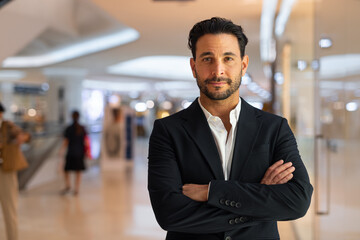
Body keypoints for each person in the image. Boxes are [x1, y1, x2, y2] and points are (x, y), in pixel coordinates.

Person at [148, 17, 313, 240]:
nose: (218, 70)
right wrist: (261, 202)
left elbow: (297, 201)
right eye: (207, 59)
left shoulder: (274, 128)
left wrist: (211, 192)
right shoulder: (168, 131)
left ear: (243, 65)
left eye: (228, 58)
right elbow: (170, 214)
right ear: (194, 66)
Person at [0, 102, 30, 240]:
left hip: (5, 171)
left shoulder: (8, 127)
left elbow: (26, 136)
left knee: (9, 210)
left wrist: (22, 138)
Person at [60, 110, 88, 196]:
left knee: (66, 170)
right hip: (79, 153)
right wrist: (87, 152)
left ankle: (68, 185)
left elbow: (66, 141)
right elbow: (86, 141)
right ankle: (76, 189)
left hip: (71, 152)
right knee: (78, 171)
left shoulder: (69, 128)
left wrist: (61, 150)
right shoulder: (82, 128)